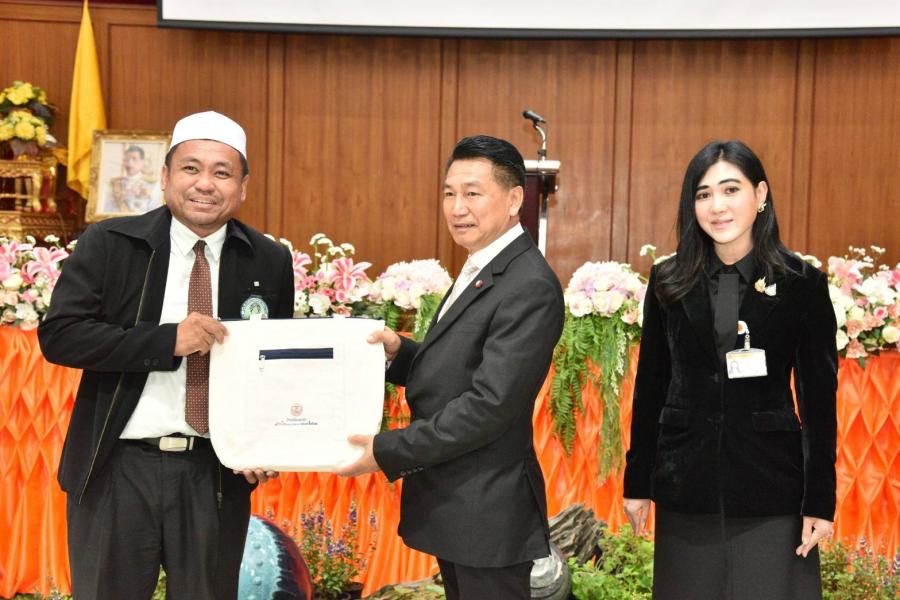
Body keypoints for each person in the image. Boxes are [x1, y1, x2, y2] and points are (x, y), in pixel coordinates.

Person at [39, 111, 295, 599]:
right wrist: (167, 342)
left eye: (222, 172)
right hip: (117, 467)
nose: (205, 184)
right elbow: (61, 336)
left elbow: (273, 367)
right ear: (164, 176)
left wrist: (265, 443)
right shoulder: (110, 243)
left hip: (213, 473)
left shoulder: (267, 258)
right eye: (190, 168)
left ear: (243, 186)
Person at [336, 135, 565, 599]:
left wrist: (387, 450)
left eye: (472, 193)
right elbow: (460, 364)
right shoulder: (485, 264)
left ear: (514, 200)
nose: (457, 207)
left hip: (489, 509)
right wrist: (400, 353)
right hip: (462, 506)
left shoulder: (528, 283)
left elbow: (490, 405)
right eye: (449, 193)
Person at [623, 140, 837, 599]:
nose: (717, 206)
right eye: (703, 194)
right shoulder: (668, 281)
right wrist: (637, 480)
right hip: (687, 486)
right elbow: (651, 385)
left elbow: (819, 403)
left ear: (760, 195)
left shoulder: (802, 285)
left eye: (730, 189)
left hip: (771, 490)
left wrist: (820, 501)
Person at [106, 144, 163, 214]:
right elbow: (107, 209)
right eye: (126, 159)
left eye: (134, 159)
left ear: (142, 162)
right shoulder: (115, 183)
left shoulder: (152, 184)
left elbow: (155, 210)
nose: (130, 163)